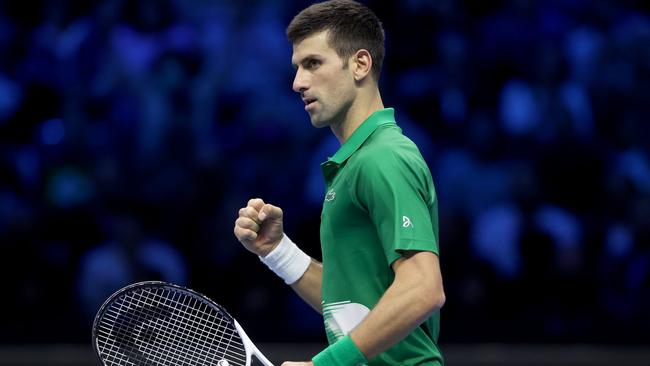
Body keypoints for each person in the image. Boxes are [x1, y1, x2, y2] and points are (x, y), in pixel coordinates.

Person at [233, 1, 445, 365]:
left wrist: (324, 365)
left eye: (313, 64)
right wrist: (277, 251)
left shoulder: (383, 157)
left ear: (360, 64)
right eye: (298, 67)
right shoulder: (356, 163)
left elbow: (424, 290)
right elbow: (352, 305)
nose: (298, 82)